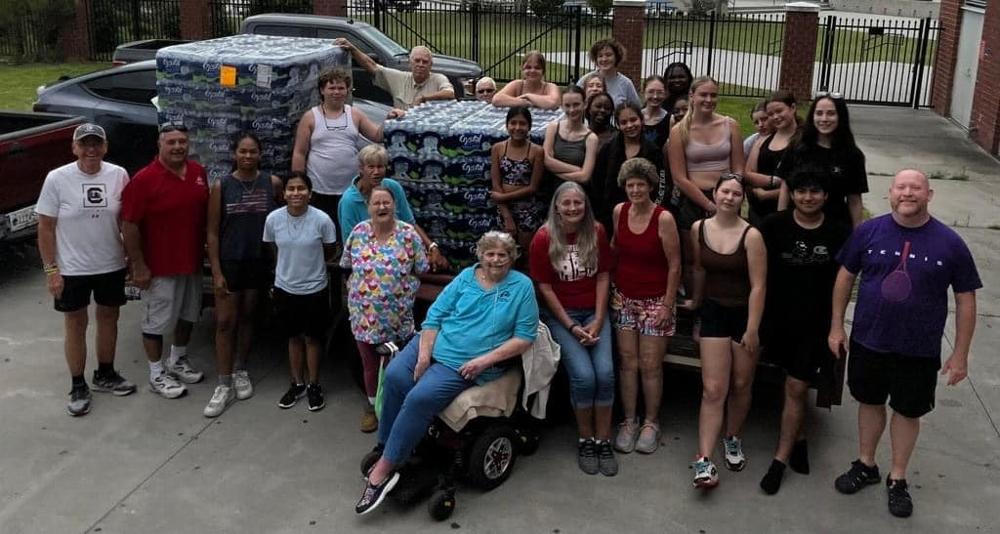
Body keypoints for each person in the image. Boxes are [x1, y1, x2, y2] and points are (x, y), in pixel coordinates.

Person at [829, 169, 980, 518]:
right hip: (870, 340)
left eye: (916, 188)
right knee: (868, 401)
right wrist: (837, 327)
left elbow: (966, 299)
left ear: (930, 194)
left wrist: (960, 354)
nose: (908, 193)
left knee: (908, 411)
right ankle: (866, 464)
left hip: (919, 347)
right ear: (890, 193)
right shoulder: (869, 231)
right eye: (901, 187)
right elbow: (844, 277)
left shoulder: (950, 243)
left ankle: (897, 477)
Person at [355, 231, 538, 515]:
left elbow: (525, 337)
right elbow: (434, 317)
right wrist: (424, 356)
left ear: (512, 258)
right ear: (481, 255)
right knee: (393, 377)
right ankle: (388, 446)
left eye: (503, 254)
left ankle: (383, 470)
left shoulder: (522, 287)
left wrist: (484, 362)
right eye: (490, 254)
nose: (496, 260)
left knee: (418, 398)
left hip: (464, 362)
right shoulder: (467, 276)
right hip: (431, 342)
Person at [757, 168, 851, 495]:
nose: (808, 197)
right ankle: (799, 438)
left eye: (815, 192)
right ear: (792, 194)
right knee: (784, 381)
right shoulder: (772, 226)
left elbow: (845, 283)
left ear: (825, 196)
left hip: (815, 325)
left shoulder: (839, 232)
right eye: (801, 191)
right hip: (775, 321)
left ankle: (779, 460)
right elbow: (756, 273)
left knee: (797, 387)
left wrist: (837, 326)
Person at [36, 123, 135, 416]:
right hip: (72, 269)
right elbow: (45, 227)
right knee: (76, 324)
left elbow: (124, 221)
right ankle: (78, 384)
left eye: (97, 144)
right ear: (75, 147)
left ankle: (105, 372)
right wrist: (52, 270)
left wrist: (130, 255)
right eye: (85, 144)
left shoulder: (118, 175)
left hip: (110, 264)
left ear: (105, 147)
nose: (91, 150)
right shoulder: (57, 178)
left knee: (109, 318)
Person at [530, 182, 616, 476]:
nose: (572, 208)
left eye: (577, 203)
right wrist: (570, 325)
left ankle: (603, 440)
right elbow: (544, 286)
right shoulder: (543, 238)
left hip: (595, 313)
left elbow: (604, 276)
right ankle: (585, 439)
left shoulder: (597, 231)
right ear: (556, 206)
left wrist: (599, 319)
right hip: (562, 317)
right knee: (583, 376)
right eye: (566, 203)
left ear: (585, 205)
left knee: (604, 374)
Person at [688, 173, 766, 489]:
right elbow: (699, 268)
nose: (730, 197)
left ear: (742, 199)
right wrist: (695, 302)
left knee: (741, 382)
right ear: (715, 194)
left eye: (736, 193)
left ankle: (732, 437)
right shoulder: (699, 229)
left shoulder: (751, 236)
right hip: (713, 313)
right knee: (713, 389)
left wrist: (752, 328)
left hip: (744, 315)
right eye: (725, 191)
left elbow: (759, 285)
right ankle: (704, 459)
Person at [122, 122, 209, 399]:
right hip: (159, 265)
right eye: (171, 142)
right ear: (159, 145)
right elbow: (130, 225)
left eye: (182, 141)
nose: (177, 147)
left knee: (188, 313)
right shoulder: (144, 180)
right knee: (156, 323)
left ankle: (178, 359)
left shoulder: (198, 173)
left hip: (191, 261)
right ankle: (156, 373)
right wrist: (138, 265)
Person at [203, 133, 283, 418]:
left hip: (257, 261)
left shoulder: (271, 183)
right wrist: (216, 270)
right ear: (234, 154)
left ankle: (240, 369)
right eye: (242, 152)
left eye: (252, 152)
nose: (247, 157)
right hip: (230, 261)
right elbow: (212, 232)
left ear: (260, 154)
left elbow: (278, 224)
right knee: (225, 322)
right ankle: (223, 383)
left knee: (249, 317)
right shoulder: (221, 186)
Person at [341, 186, 429, 433]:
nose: (381, 207)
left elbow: (421, 268)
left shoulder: (408, 234)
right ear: (368, 208)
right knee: (369, 363)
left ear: (394, 205)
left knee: (397, 366)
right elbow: (346, 265)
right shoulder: (358, 232)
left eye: (386, 202)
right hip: (363, 315)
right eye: (376, 203)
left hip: (397, 315)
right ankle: (372, 408)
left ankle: (397, 408)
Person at [610, 158, 682, 456]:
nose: (636, 189)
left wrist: (667, 304)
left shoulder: (663, 218)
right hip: (624, 296)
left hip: (655, 301)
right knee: (628, 362)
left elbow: (675, 264)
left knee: (651, 365)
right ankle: (629, 420)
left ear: (651, 186)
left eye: (641, 184)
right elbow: (615, 248)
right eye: (630, 185)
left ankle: (651, 422)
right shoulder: (619, 211)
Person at [263, 172, 338, 412]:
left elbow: (329, 250)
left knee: (312, 337)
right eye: (291, 189)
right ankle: (297, 383)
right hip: (286, 288)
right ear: (283, 194)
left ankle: (314, 384)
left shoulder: (322, 220)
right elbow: (273, 249)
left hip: (314, 288)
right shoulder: (273, 219)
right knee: (293, 337)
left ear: (310, 193)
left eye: (301, 188)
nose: (296, 193)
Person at [667, 76, 749, 291]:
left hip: (727, 197)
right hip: (694, 200)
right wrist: (709, 205)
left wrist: (729, 196)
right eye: (703, 94)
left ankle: (723, 297)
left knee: (728, 253)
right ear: (691, 96)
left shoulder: (730, 125)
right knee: (693, 257)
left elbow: (739, 167)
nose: (709, 99)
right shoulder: (679, 131)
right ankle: (695, 306)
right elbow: (679, 177)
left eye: (713, 95)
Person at [292, 68, 397, 229]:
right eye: (332, 88)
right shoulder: (310, 117)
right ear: (322, 90)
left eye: (341, 88)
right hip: (320, 189)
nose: (337, 92)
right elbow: (299, 153)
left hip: (350, 190)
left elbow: (377, 136)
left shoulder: (354, 114)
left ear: (347, 90)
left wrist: (389, 119)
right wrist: (299, 184)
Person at [337, 144, 448, 271]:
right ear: (361, 169)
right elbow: (351, 245)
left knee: (439, 263)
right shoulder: (349, 201)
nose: (376, 172)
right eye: (371, 167)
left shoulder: (393, 187)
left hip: (403, 254)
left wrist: (432, 247)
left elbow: (410, 223)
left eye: (380, 167)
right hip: (369, 263)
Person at [778, 93, 868, 229]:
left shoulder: (852, 155)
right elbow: (785, 187)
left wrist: (858, 234)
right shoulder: (797, 147)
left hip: (835, 226)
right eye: (819, 113)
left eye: (831, 113)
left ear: (841, 116)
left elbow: (854, 199)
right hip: (797, 222)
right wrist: (781, 221)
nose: (824, 119)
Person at [592, 102, 665, 234]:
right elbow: (597, 183)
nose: (630, 125)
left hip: (646, 216)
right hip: (610, 217)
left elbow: (662, 185)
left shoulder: (653, 151)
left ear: (641, 120)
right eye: (624, 122)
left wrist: (654, 211)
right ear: (618, 125)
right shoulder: (608, 150)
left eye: (633, 120)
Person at [336, 38, 455, 109]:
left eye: (425, 62)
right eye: (417, 60)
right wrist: (352, 49)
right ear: (410, 62)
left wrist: (424, 98)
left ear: (431, 65)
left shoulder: (438, 78)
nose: (421, 64)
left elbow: (449, 93)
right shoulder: (399, 78)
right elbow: (372, 66)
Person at [491, 106, 545, 256]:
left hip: (527, 211)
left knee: (525, 253)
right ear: (507, 125)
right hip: (504, 209)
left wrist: (503, 197)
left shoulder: (537, 151)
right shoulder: (498, 149)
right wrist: (506, 215)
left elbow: (533, 187)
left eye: (522, 123)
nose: (517, 127)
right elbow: (496, 184)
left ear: (529, 126)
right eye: (513, 123)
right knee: (503, 254)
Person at [744, 91, 799, 227]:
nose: (775, 117)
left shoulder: (803, 140)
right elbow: (748, 172)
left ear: (792, 108)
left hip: (790, 212)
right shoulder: (762, 140)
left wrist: (768, 194)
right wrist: (772, 181)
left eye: (779, 111)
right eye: (770, 114)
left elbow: (800, 184)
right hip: (758, 212)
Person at [542, 86, 598, 203]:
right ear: (562, 106)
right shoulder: (553, 128)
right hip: (553, 195)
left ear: (585, 104)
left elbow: (585, 177)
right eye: (567, 105)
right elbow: (546, 160)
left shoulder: (591, 138)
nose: (572, 110)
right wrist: (576, 169)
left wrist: (556, 171)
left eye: (576, 104)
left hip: (577, 198)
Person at [576, 38, 641, 108]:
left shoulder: (626, 84)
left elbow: (636, 109)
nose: (604, 59)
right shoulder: (585, 80)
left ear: (617, 57)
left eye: (608, 55)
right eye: (600, 56)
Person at [491, 51, 561, 110]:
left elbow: (553, 103)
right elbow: (496, 100)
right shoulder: (517, 85)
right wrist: (523, 102)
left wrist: (528, 96)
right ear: (522, 69)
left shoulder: (550, 87)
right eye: (528, 67)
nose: (532, 71)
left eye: (537, 68)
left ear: (543, 71)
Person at [641, 75, 670, 150]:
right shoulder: (636, 117)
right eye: (651, 92)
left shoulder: (670, 120)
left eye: (660, 92)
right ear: (643, 92)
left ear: (665, 94)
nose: (655, 96)